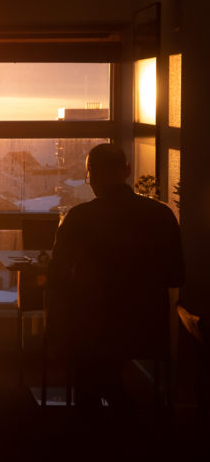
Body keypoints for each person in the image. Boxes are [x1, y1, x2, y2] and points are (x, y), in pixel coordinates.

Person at [48, 143, 183, 409]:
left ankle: (103, 410)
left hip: (94, 328)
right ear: (128, 170)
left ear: (91, 175)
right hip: (146, 328)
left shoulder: (80, 218)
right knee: (105, 370)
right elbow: (176, 277)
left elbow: (57, 276)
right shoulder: (162, 215)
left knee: (90, 371)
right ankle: (121, 405)